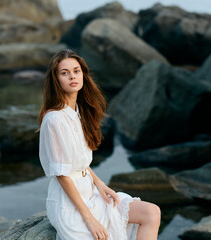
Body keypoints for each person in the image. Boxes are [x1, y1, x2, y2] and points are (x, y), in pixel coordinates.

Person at [38, 49, 160, 240]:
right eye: (64, 73)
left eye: (76, 71)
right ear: (56, 80)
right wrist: (90, 219)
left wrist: (100, 184)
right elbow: (62, 174)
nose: (72, 76)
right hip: (69, 204)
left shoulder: (78, 112)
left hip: (91, 192)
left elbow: (78, 161)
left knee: (151, 213)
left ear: (83, 75)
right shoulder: (54, 119)